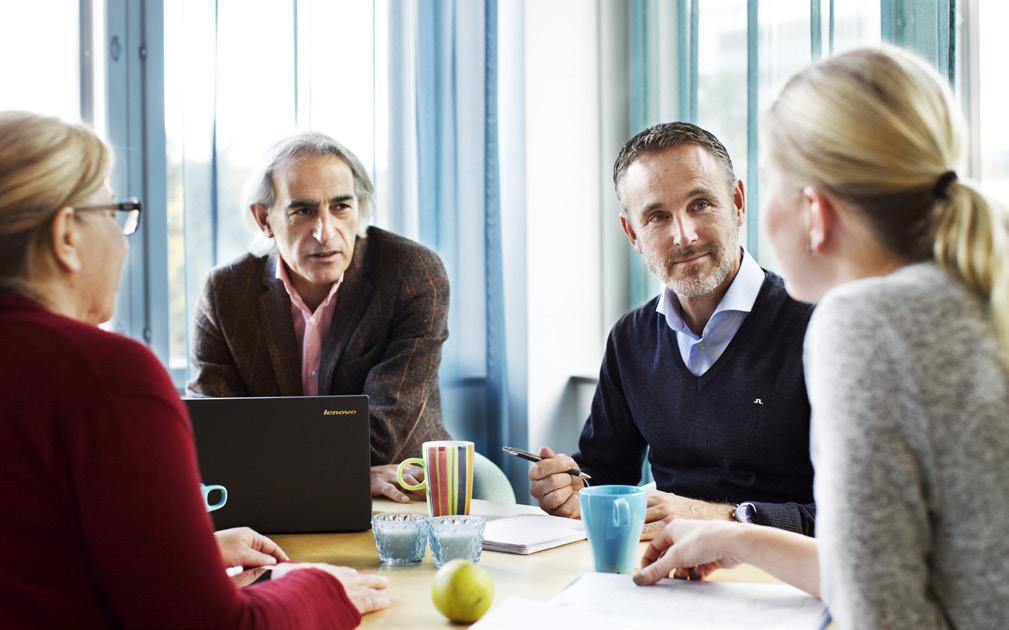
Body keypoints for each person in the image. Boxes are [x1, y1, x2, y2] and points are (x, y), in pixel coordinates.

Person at [635, 46, 1009, 629]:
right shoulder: (967, 291)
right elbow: (884, 572)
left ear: (814, 210)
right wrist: (740, 540)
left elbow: (884, 618)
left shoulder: (863, 322)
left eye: (766, 185)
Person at [0, 111, 389, 628]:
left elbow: (45, 555)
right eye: (116, 213)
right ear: (67, 234)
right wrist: (321, 586)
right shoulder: (105, 379)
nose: (122, 240)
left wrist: (191, 551)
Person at [530, 122, 818, 537]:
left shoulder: (816, 328)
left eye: (700, 204)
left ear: (737, 202)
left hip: (783, 582)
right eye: (657, 216)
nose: (683, 235)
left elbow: (861, 517)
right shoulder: (631, 338)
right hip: (667, 576)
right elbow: (605, 474)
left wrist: (724, 518)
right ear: (633, 234)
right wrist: (569, 488)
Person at [186, 132, 451, 502]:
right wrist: (346, 475)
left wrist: (275, 464)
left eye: (341, 207)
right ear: (264, 219)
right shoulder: (226, 293)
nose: (325, 232)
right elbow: (214, 440)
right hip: (273, 507)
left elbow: (381, 437)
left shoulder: (411, 274)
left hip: (401, 503)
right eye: (303, 210)